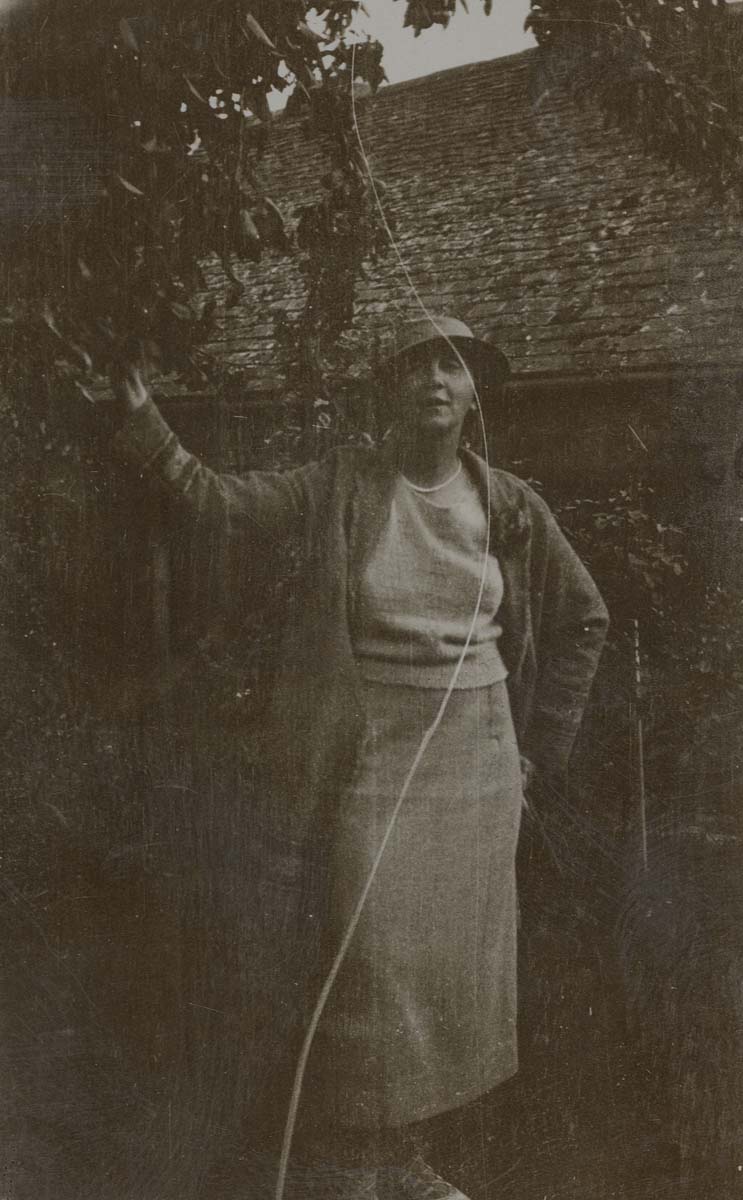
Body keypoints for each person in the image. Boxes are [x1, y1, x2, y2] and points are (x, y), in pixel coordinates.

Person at [109, 315, 608, 1200]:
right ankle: (344, 1170)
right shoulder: (341, 484)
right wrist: (141, 415)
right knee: (368, 963)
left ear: (474, 392)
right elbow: (219, 503)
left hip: (481, 760)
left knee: (445, 978)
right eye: (414, 365)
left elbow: (585, 619)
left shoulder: (512, 505)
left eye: (451, 365)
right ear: (387, 389)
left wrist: (538, 753)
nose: (434, 379)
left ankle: (403, 1163)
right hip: (373, 749)